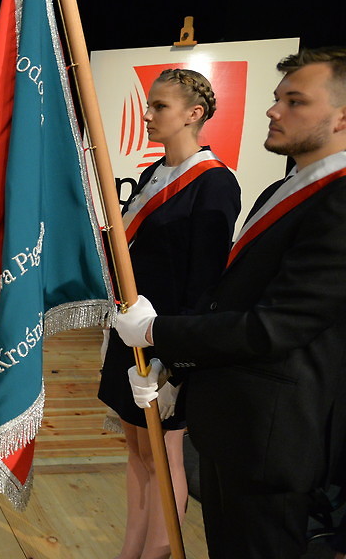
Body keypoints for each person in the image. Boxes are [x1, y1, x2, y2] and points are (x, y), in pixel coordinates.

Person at [115, 48, 346, 559]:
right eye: (277, 98)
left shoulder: (338, 201)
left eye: (295, 101)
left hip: (274, 433)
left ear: (342, 116)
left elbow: (274, 326)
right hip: (231, 421)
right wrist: (180, 366)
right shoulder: (284, 190)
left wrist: (159, 336)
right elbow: (229, 297)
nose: (273, 110)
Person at [96, 69, 241, 559]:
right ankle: (131, 550)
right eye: (149, 104)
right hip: (130, 333)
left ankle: (158, 553)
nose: (147, 114)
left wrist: (175, 361)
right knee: (138, 452)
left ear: (193, 114)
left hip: (167, 343)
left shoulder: (214, 183)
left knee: (165, 454)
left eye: (159, 106)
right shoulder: (153, 174)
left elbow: (205, 284)